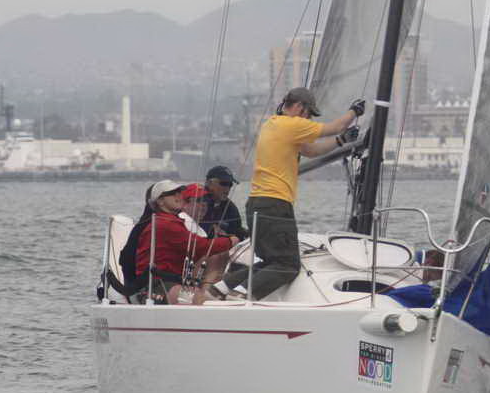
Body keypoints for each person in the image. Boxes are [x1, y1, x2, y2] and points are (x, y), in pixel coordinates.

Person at [209, 87, 364, 300]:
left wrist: (341, 140)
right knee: (288, 265)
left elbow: (311, 151)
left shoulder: (273, 124)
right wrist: (355, 111)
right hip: (276, 204)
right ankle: (241, 295)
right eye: (309, 114)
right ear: (300, 107)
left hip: (257, 203)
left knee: (272, 262)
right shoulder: (292, 124)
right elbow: (335, 126)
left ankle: (221, 288)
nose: (308, 119)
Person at [134, 180, 238, 304]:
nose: (179, 196)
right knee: (201, 300)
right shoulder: (165, 223)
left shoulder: (171, 221)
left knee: (203, 296)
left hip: (171, 281)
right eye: (172, 193)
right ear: (160, 201)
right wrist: (230, 241)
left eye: (179, 192)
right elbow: (200, 246)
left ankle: (210, 293)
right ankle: (210, 295)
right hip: (156, 284)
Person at [200, 165, 248, 239]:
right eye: (224, 183)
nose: (227, 188)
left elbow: (236, 231)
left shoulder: (231, 208)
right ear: (209, 183)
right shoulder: (196, 201)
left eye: (230, 184)